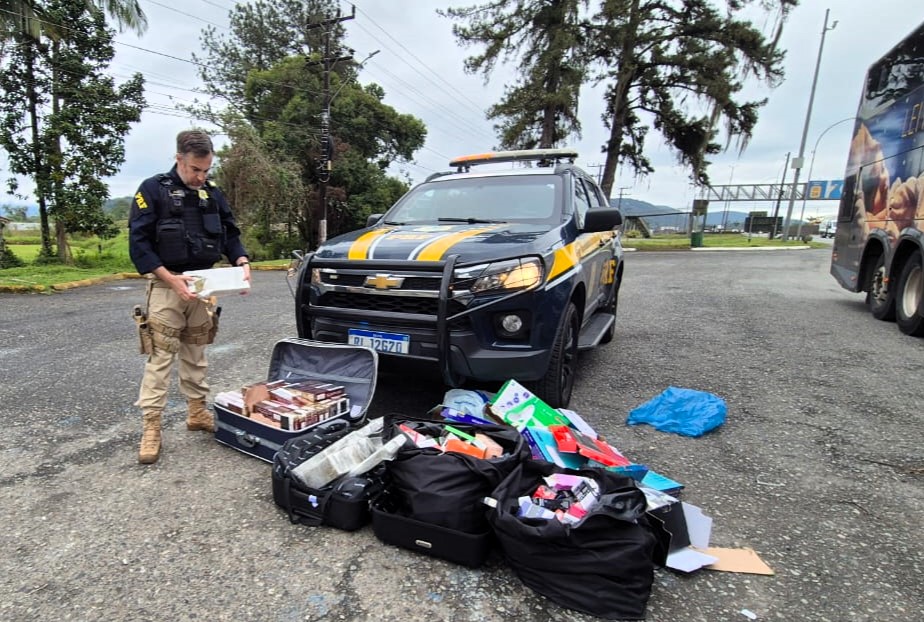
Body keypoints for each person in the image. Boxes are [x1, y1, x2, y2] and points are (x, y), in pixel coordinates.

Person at [129, 129, 251, 464]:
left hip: (203, 286)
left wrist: (241, 260)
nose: (200, 176)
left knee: (196, 353)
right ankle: (151, 426)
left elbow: (230, 233)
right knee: (160, 358)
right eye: (194, 169)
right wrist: (170, 279)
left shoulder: (212, 193)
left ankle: (197, 412)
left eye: (206, 170)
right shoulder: (153, 190)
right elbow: (138, 244)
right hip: (167, 287)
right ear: (178, 159)